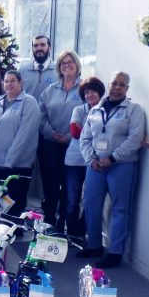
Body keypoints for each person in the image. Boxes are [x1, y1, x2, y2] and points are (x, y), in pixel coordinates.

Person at [79, 72, 145, 269]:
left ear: (127, 89)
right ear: (109, 85)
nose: (117, 87)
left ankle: (115, 252)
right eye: (114, 83)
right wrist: (91, 159)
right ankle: (94, 245)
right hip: (95, 166)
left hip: (121, 166)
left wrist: (113, 157)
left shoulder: (134, 110)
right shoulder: (96, 110)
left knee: (119, 207)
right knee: (91, 204)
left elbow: (134, 139)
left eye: (122, 85)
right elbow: (84, 138)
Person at [37, 50, 83, 230]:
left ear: (77, 65)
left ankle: (65, 223)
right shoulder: (50, 90)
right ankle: (49, 222)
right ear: (59, 67)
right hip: (50, 144)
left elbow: (89, 116)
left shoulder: (84, 88)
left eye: (70, 62)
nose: (66, 65)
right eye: (63, 63)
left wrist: (70, 136)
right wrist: (52, 133)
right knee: (51, 184)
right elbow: (40, 116)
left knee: (70, 187)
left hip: (75, 146)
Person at [0, 69, 40, 215]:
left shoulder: (29, 103)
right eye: (6, 81)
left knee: (13, 205)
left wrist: (9, 162)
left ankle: (13, 235)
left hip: (16, 166)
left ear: (21, 83)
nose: (9, 84)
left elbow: (24, 136)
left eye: (13, 81)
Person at [64, 76, 104, 242]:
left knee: (89, 200)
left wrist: (89, 134)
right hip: (74, 161)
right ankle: (72, 234)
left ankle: (82, 232)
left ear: (100, 92)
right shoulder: (79, 110)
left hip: (94, 161)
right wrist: (98, 135)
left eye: (93, 91)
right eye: (86, 93)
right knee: (72, 200)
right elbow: (74, 131)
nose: (90, 95)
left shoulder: (106, 110)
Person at [18, 35, 56, 102]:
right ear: (32, 49)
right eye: (35, 46)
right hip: (27, 111)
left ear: (49, 48)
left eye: (42, 45)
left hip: (50, 112)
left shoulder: (59, 71)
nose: (39, 48)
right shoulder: (22, 71)